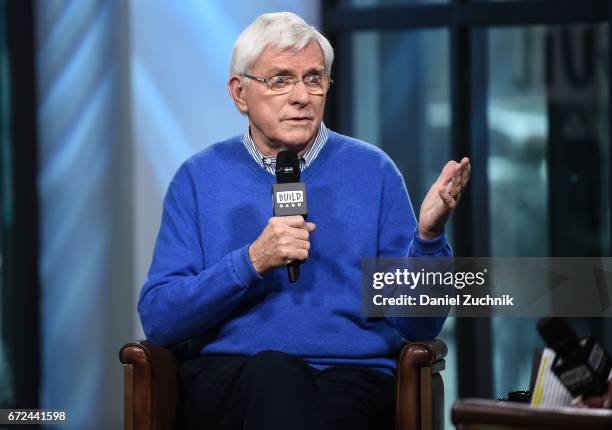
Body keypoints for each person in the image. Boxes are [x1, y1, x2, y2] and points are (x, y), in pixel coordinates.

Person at [138, 11, 471, 430]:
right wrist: (253, 260)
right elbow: (160, 317)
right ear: (240, 93)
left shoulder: (373, 172)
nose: (301, 96)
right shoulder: (198, 178)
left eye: (314, 78)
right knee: (276, 374)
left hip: (350, 377)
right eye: (280, 80)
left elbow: (417, 323)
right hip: (232, 376)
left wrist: (428, 237)